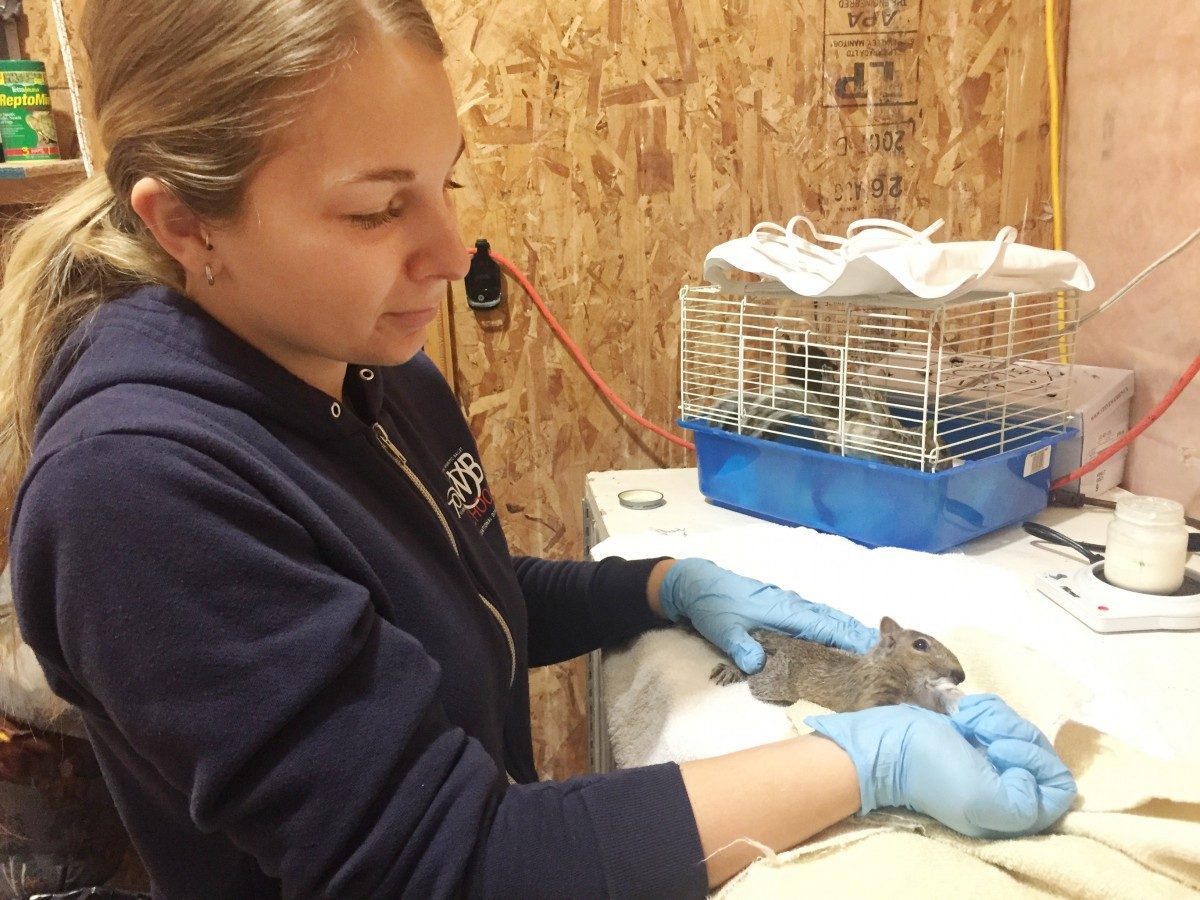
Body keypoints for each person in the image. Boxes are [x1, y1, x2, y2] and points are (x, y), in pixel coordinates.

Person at [0, 1, 1076, 896]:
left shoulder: (363, 364)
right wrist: (861, 760)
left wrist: (659, 585)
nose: (449, 249)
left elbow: (437, 603)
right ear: (187, 225)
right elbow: (449, 866)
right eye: (379, 211)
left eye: (445, 180)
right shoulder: (136, 494)